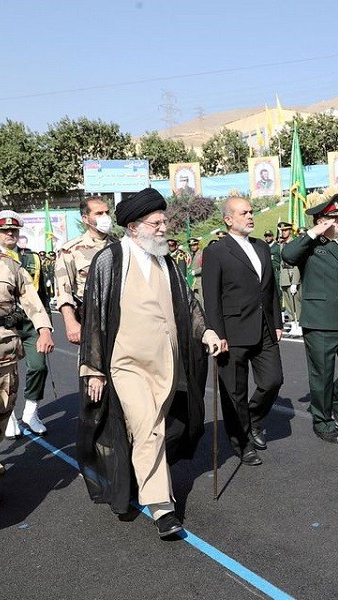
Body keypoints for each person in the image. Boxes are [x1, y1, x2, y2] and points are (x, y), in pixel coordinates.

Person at [77, 188, 222, 537]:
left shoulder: (166, 261)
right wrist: (93, 369)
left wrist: (206, 333)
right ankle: (162, 509)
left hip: (168, 364)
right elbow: (94, 315)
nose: (163, 228)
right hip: (126, 364)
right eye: (156, 223)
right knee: (149, 427)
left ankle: (137, 471)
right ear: (133, 227)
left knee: (164, 428)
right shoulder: (110, 260)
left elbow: (188, 305)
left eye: (163, 221)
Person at [202, 197, 284, 466]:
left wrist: (277, 322)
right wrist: (217, 333)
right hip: (232, 331)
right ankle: (243, 443)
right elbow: (211, 297)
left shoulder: (261, 247)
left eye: (251, 211)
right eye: (244, 213)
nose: (250, 216)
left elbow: (270, 289)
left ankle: (254, 419)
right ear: (228, 219)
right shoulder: (216, 251)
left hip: (264, 328)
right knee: (234, 392)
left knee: (273, 380)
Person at [281, 195, 338, 443]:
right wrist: (313, 233)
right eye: (334, 218)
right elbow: (288, 255)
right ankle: (323, 421)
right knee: (322, 375)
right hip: (319, 322)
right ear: (322, 222)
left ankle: (331, 404)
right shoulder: (310, 245)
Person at [0, 211, 55, 503]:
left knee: (2, 408)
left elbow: (33, 301)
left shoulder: (11, 266)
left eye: (13, 231)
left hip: (3, 348)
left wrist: (44, 330)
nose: (9, 234)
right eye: (3, 230)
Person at [55, 197, 118, 346]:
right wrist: (70, 322)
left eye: (107, 212)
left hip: (119, 320)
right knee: (93, 360)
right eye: (99, 213)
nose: (105, 217)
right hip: (90, 321)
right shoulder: (70, 250)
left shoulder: (120, 247)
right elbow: (63, 290)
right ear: (85, 218)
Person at [270, 222, 303, 336]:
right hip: (285, 275)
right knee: (289, 304)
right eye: (282, 231)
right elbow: (281, 263)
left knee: (296, 303)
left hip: (292, 274)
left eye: (285, 230)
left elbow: (297, 263)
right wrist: (281, 280)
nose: (283, 233)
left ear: (290, 231)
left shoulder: (295, 244)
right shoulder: (282, 245)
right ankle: (293, 325)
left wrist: (295, 282)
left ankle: (299, 326)